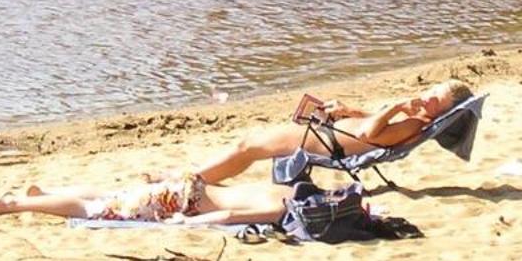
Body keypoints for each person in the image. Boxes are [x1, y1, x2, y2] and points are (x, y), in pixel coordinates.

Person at [174, 80, 475, 185]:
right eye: (432, 91)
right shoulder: (415, 118)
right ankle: (198, 176)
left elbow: (371, 134)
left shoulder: (415, 123)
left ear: (443, 113)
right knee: (251, 145)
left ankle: (190, 182)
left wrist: (396, 105)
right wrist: (350, 111)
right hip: (328, 134)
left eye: (436, 100)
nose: (428, 96)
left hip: (325, 144)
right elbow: (373, 124)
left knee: (249, 145)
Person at [0, 172, 298, 226]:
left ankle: (46, 195)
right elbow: (228, 218)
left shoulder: (291, 189)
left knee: (111, 196)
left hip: (189, 185)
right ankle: (15, 204)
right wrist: (187, 222)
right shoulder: (283, 208)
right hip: (179, 200)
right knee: (96, 210)